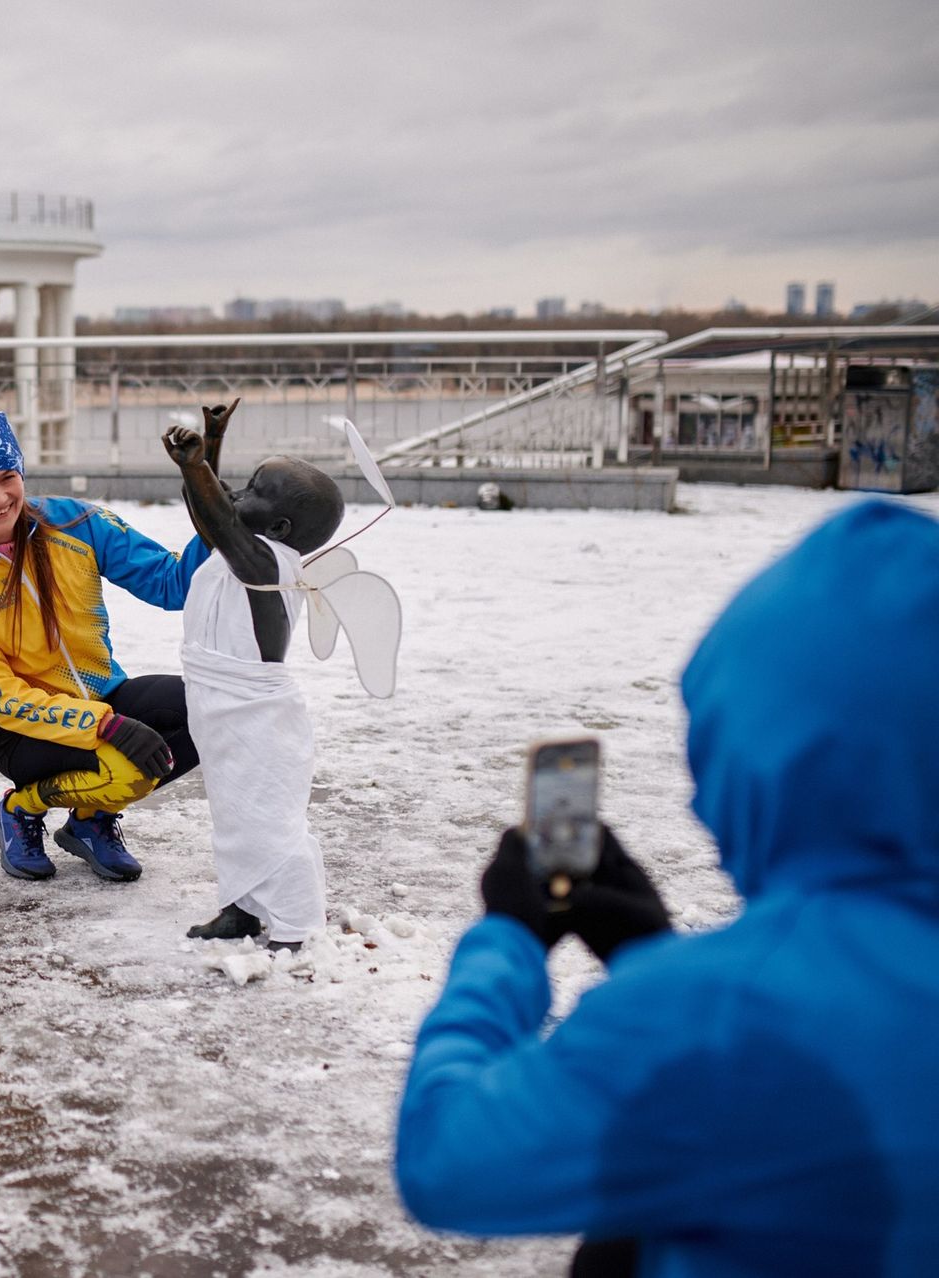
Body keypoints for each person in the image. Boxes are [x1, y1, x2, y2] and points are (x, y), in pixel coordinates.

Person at [394, 500, 939, 1278]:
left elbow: (448, 1162)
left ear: (766, 761)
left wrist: (506, 943)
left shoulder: (716, 1020)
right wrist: (649, 954)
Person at [0, 408, 209, 882]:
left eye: (7, 477)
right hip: (16, 730)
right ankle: (18, 810)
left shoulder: (78, 524)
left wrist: (209, 501)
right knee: (124, 766)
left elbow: (175, 584)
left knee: (211, 708)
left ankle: (90, 822)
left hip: (100, 692)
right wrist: (105, 726)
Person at [163, 408, 345, 949]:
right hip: (221, 707)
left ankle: (295, 922)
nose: (234, 492)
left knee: (266, 822)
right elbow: (209, 518)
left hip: (257, 721)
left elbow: (217, 516)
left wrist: (198, 466)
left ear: (280, 528)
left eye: (252, 490)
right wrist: (208, 449)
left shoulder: (268, 564)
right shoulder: (242, 548)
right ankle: (239, 908)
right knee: (233, 815)